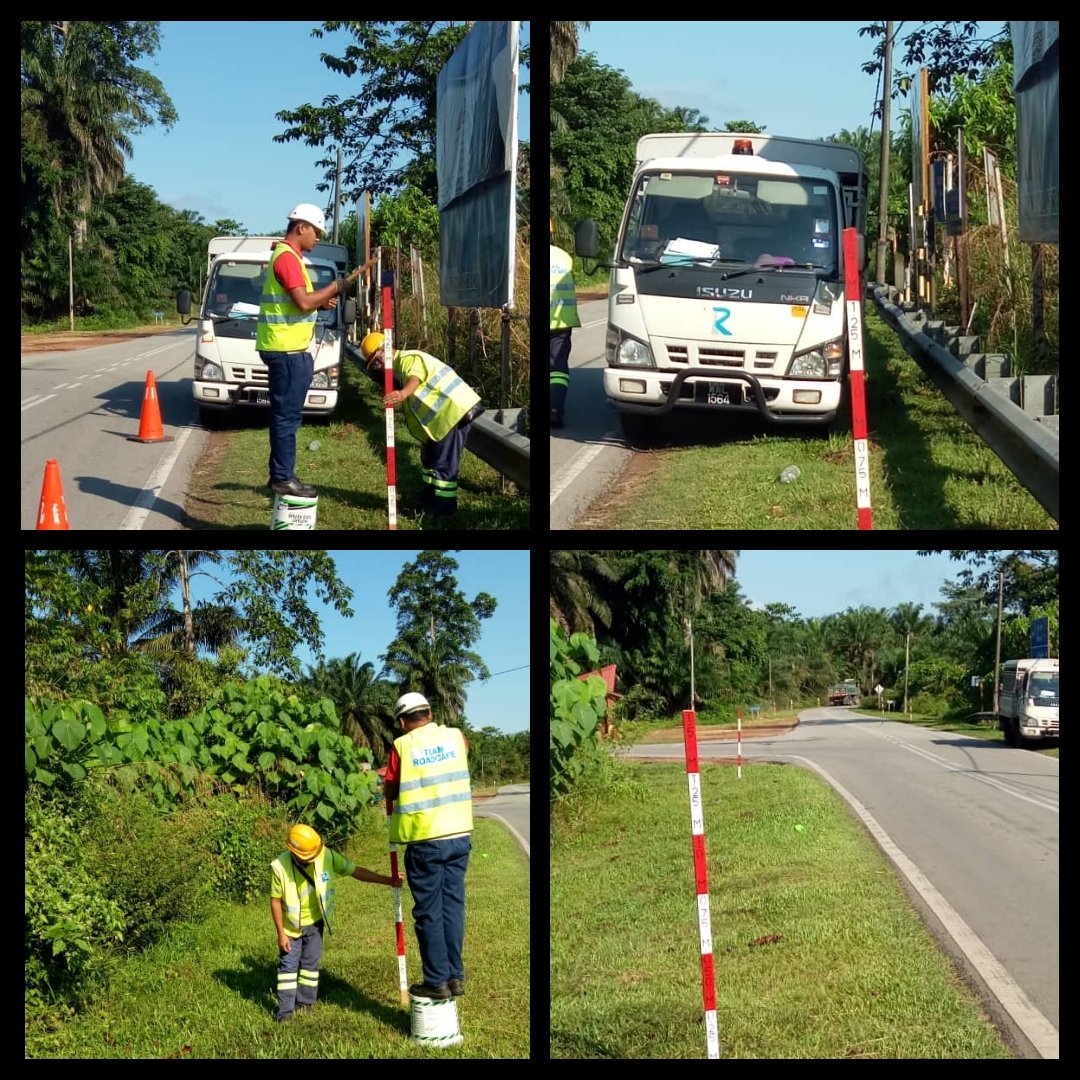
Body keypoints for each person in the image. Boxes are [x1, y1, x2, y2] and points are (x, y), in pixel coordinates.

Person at [256, 203, 372, 498]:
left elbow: (300, 302)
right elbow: (304, 302)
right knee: (287, 418)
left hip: (286, 347)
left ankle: (279, 475)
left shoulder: (288, 256)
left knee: (284, 416)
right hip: (287, 350)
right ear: (301, 227)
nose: (318, 239)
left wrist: (320, 302)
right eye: (317, 232)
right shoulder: (287, 259)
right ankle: (283, 478)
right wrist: (334, 287)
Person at [383, 692, 472, 1000]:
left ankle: (436, 980)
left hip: (425, 840)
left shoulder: (402, 746)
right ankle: (454, 976)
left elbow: (391, 788)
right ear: (430, 714)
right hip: (459, 834)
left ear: (402, 722)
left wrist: (389, 787)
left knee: (429, 912)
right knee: (452, 907)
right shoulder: (456, 737)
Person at [270, 822, 400, 1022]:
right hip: (290, 929)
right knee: (288, 969)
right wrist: (281, 933)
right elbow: (275, 901)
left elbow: (355, 871)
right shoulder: (279, 867)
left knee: (310, 966)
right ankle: (285, 1013)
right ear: (295, 854)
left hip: (315, 925)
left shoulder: (326, 856)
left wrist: (387, 880)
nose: (314, 860)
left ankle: (305, 1005)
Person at [359, 333, 483, 517]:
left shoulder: (408, 359)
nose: (379, 366)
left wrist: (402, 394)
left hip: (454, 413)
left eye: (377, 361)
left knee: (444, 465)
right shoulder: (399, 367)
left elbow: (414, 379)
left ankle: (444, 513)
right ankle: (428, 499)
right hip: (442, 419)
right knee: (430, 460)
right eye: (375, 365)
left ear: (385, 348)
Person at [549, 218, 579, 430]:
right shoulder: (564, 257)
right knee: (558, 368)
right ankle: (555, 410)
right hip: (562, 322)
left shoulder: (525, 257)